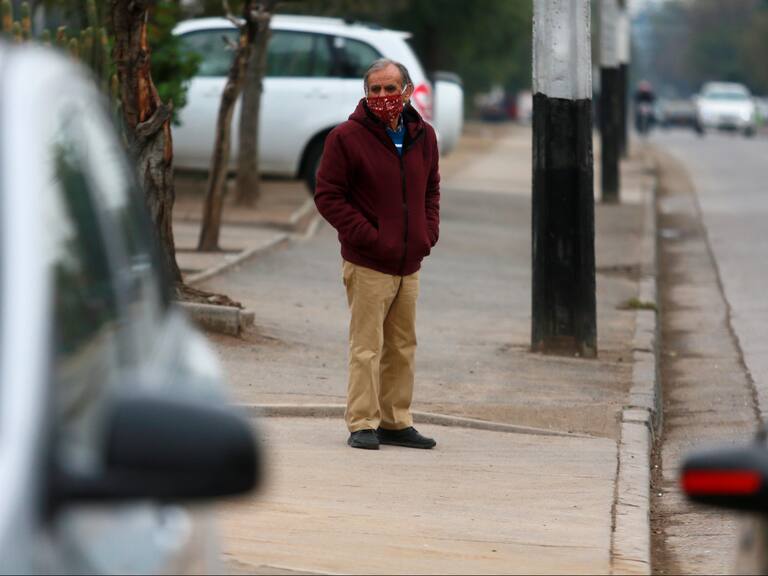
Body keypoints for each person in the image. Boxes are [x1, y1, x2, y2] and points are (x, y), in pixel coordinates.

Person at [314, 58, 440, 451]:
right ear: (365, 94)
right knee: (366, 347)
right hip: (368, 262)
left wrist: (427, 233)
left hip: (410, 263)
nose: (382, 97)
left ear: (406, 91)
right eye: (374, 90)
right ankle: (363, 423)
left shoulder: (425, 136)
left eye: (390, 89)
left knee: (402, 346)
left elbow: (431, 190)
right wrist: (368, 237)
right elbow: (328, 196)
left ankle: (395, 421)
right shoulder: (345, 138)